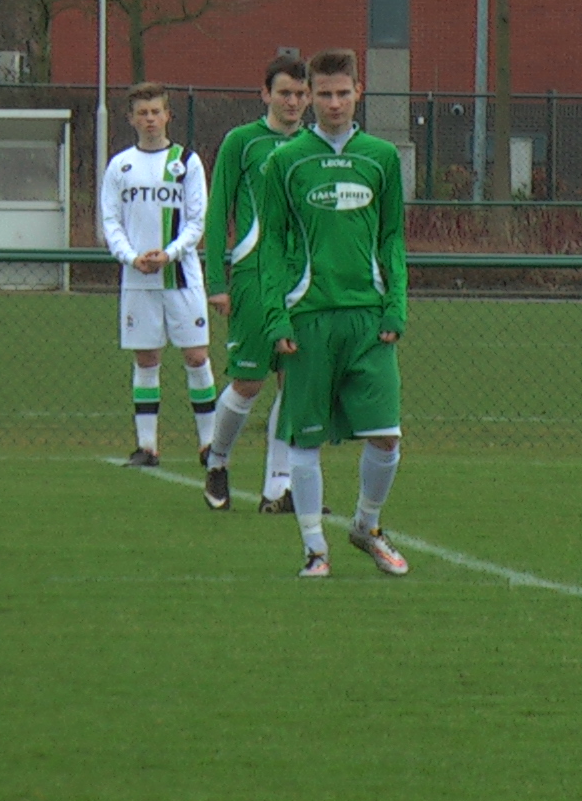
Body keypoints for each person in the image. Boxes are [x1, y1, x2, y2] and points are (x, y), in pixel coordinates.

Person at [256, 49, 410, 579]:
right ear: (309, 97)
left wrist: (395, 305)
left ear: (359, 92)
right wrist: (275, 317)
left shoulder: (381, 158)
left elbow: (392, 239)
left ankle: (366, 525)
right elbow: (271, 246)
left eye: (343, 93)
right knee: (305, 439)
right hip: (309, 318)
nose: (334, 103)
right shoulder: (286, 161)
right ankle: (314, 550)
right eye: (323, 94)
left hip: (369, 319)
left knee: (387, 436)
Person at [201, 54, 311, 512]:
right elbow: (218, 211)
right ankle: (217, 461)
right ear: (265, 94)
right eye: (284, 93)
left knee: (294, 381)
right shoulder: (242, 142)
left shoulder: (315, 146)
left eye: (300, 94)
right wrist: (216, 280)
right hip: (252, 275)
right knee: (248, 381)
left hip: (300, 281)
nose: (293, 102)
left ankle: (277, 487)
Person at [100, 83, 216, 470]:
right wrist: (131, 257)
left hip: (181, 276)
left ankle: (210, 445)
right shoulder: (120, 165)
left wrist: (170, 254)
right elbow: (111, 221)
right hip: (138, 278)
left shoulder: (187, 162)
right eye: (142, 113)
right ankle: (147, 447)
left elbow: (197, 220)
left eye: (156, 112)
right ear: (131, 119)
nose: (150, 119)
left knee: (196, 356)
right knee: (146, 358)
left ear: (168, 115)